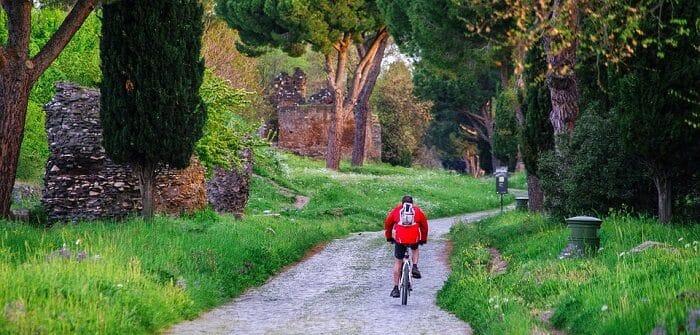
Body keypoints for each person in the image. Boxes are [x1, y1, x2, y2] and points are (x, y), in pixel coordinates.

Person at [384, 195, 428, 298]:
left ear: (402, 203)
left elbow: (388, 224)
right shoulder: (418, 211)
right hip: (414, 238)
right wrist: (423, 239)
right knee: (415, 249)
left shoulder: (396, 210)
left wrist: (389, 237)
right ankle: (415, 267)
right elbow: (424, 226)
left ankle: (395, 289)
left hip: (400, 239)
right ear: (412, 203)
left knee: (398, 262)